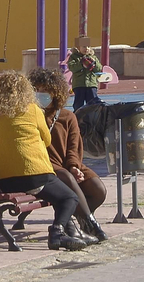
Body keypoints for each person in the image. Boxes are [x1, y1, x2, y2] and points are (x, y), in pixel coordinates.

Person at [0, 71, 88, 251]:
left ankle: (68, 230)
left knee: (58, 194)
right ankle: (57, 232)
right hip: (33, 175)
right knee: (69, 197)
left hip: (3, 180)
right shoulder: (33, 109)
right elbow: (46, 139)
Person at [28, 67, 108, 242]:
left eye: (46, 91)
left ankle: (70, 219)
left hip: (67, 164)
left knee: (98, 190)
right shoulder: (30, 115)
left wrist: (74, 166)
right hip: (44, 166)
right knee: (65, 178)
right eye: (37, 90)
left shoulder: (67, 116)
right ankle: (89, 224)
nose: (41, 95)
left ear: (56, 92)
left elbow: (74, 145)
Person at [68, 34, 104, 111]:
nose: (86, 49)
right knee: (78, 104)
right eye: (84, 47)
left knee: (93, 104)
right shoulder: (74, 57)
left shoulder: (93, 57)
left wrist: (94, 63)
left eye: (88, 47)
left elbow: (99, 69)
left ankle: (93, 118)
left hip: (91, 84)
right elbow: (71, 67)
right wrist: (81, 64)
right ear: (78, 47)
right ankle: (78, 117)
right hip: (79, 84)